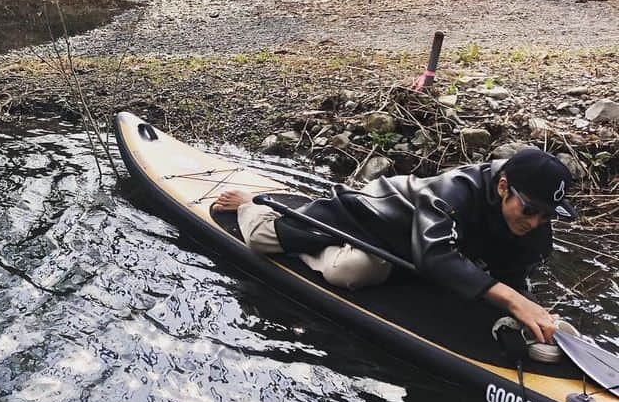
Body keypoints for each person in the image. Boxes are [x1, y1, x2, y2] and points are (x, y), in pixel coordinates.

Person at [212, 147, 576, 345]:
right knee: (343, 268)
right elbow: (436, 257)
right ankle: (251, 204)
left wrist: (531, 315)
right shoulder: (454, 191)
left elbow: (515, 276)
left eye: (547, 216)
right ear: (503, 187)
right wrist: (513, 301)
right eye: (529, 210)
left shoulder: (533, 224)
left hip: (408, 247)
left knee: (386, 271)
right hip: (369, 218)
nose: (535, 223)